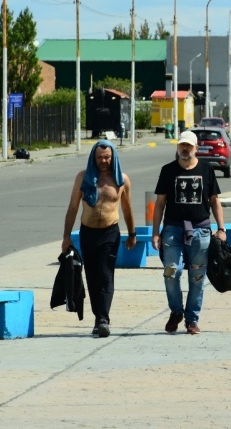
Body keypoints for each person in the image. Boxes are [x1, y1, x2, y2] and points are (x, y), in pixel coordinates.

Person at [152, 130, 226, 335]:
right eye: (182, 145)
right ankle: (176, 311)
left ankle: (192, 319)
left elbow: (215, 201)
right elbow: (159, 203)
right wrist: (155, 232)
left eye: (189, 146)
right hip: (173, 230)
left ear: (196, 148)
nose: (185, 149)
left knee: (197, 277)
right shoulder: (168, 170)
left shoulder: (206, 169)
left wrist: (221, 229)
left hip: (201, 230)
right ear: (177, 147)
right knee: (171, 271)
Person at [62, 140, 136, 338]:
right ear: (93, 158)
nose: (103, 161)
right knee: (92, 277)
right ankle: (98, 318)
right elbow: (73, 208)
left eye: (107, 157)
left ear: (113, 158)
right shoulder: (83, 178)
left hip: (110, 233)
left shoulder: (121, 180)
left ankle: (103, 319)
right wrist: (66, 237)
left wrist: (132, 233)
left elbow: (128, 209)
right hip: (88, 232)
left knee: (105, 274)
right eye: (100, 157)